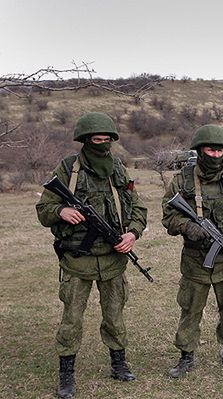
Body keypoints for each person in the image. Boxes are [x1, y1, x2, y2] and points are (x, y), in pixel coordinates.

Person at [36, 112, 147, 399]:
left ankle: (119, 364)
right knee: (72, 319)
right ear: (85, 140)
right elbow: (44, 209)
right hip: (76, 260)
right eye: (96, 139)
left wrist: (132, 234)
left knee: (114, 316)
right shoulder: (68, 170)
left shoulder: (118, 170)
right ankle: (66, 374)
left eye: (107, 139)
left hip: (113, 259)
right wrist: (62, 210)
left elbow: (138, 209)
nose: (102, 144)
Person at [161, 124, 223, 377]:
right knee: (191, 309)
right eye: (210, 150)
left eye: (219, 151)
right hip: (196, 261)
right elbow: (169, 216)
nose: (215, 155)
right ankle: (186, 356)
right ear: (199, 150)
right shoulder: (182, 179)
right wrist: (188, 226)